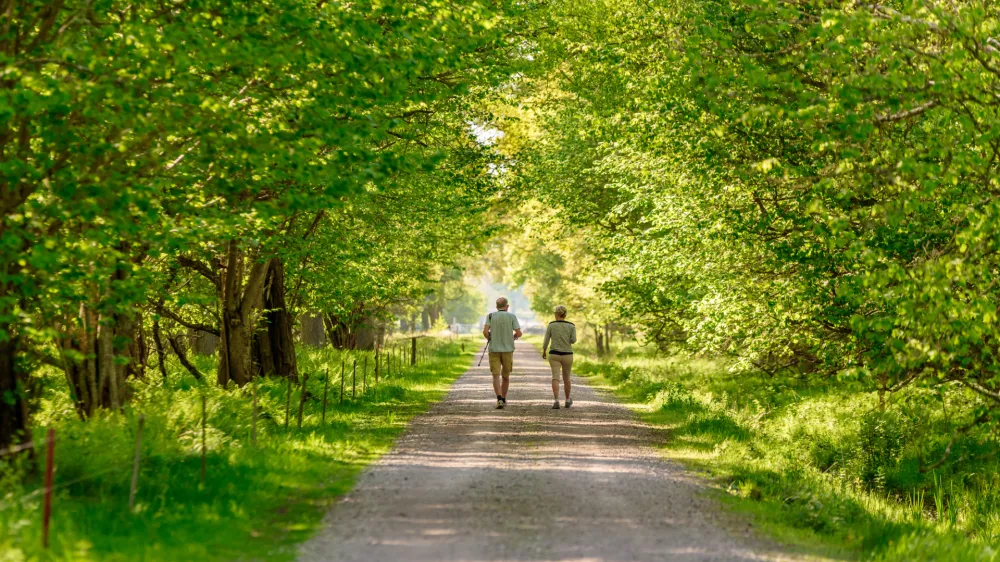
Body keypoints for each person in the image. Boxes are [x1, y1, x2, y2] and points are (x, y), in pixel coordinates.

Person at [483, 297, 522, 409]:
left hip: (494, 349)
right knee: (505, 376)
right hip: (508, 350)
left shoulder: (490, 316)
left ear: (496, 307)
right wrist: (515, 336)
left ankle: (499, 399)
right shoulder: (511, 316)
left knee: (495, 375)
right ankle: (504, 399)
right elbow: (519, 333)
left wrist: (489, 338)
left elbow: (485, 332)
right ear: (507, 306)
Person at [542, 305, 576, 409]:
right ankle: (567, 400)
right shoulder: (571, 326)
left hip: (554, 354)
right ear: (565, 314)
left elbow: (546, 339)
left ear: (557, 314)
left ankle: (556, 400)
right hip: (567, 355)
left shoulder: (551, 325)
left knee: (555, 377)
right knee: (567, 378)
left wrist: (544, 350)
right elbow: (573, 340)